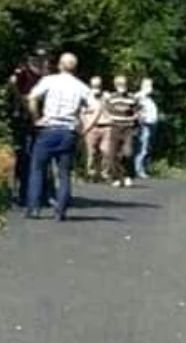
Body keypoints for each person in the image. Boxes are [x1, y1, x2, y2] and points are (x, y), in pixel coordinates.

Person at [26, 53, 92, 221]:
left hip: (48, 129)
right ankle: (60, 211)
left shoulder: (49, 81)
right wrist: (85, 129)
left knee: (37, 169)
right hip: (68, 131)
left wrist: (36, 118)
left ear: (60, 65)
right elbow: (97, 107)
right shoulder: (81, 86)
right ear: (74, 68)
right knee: (64, 174)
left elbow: (32, 97)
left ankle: (34, 208)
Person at [9, 47, 50, 206]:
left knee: (43, 156)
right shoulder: (23, 72)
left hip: (42, 116)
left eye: (43, 59)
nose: (41, 62)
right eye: (38, 59)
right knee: (24, 155)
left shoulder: (46, 74)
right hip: (24, 117)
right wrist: (22, 99)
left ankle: (43, 193)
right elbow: (12, 84)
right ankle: (22, 192)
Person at [103, 76, 139, 188]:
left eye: (123, 84)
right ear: (115, 85)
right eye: (119, 84)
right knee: (112, 154)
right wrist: (109, 117)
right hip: (115, 127)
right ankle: (116, 177)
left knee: (127, 153)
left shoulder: (132, 98)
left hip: (128, 128)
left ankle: (127, 175)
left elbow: (138, 111)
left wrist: (134, 118)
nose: (121, 86)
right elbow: (105, 109)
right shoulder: (111, 97)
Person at [83, 76, 111, 181]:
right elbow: (82, 112)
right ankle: (91, 174)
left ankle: (105, 174)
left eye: (98, 85)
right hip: (92, 127)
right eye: (94, 85)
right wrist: (85, 125)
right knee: (91, 153)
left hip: (106, 126)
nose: (97, 87)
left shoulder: (107, 96)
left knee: (106, 151)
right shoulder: (86, 97)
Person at [134, 78, 159, 179]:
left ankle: (143, 168)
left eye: (151, 85)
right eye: (149, 85)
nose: (151, 88)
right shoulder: (140, 96)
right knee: (142, 148)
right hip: (144, 125)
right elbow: (135, 108)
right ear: (143, 86)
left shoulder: (149, 99)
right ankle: (138, 169)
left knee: (147, 148)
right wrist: (140, 117)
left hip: (151, 125)